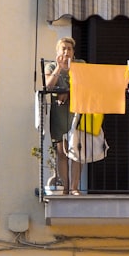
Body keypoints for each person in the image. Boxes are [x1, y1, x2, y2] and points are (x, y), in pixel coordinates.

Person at [44, 37, 83, 195]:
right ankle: (65, 188)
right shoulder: (51, 66)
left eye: (69, 49)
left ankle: (74, 188)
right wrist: (59, 68)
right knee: (62, 151)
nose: (66, 51)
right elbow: (48, 86)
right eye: (63, 48)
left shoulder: (81, 65)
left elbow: (86, 85)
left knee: (77, 151)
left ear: (74, 52)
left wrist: (68, 93)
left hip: (77, 112)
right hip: (59, 113)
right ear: (57, 51)